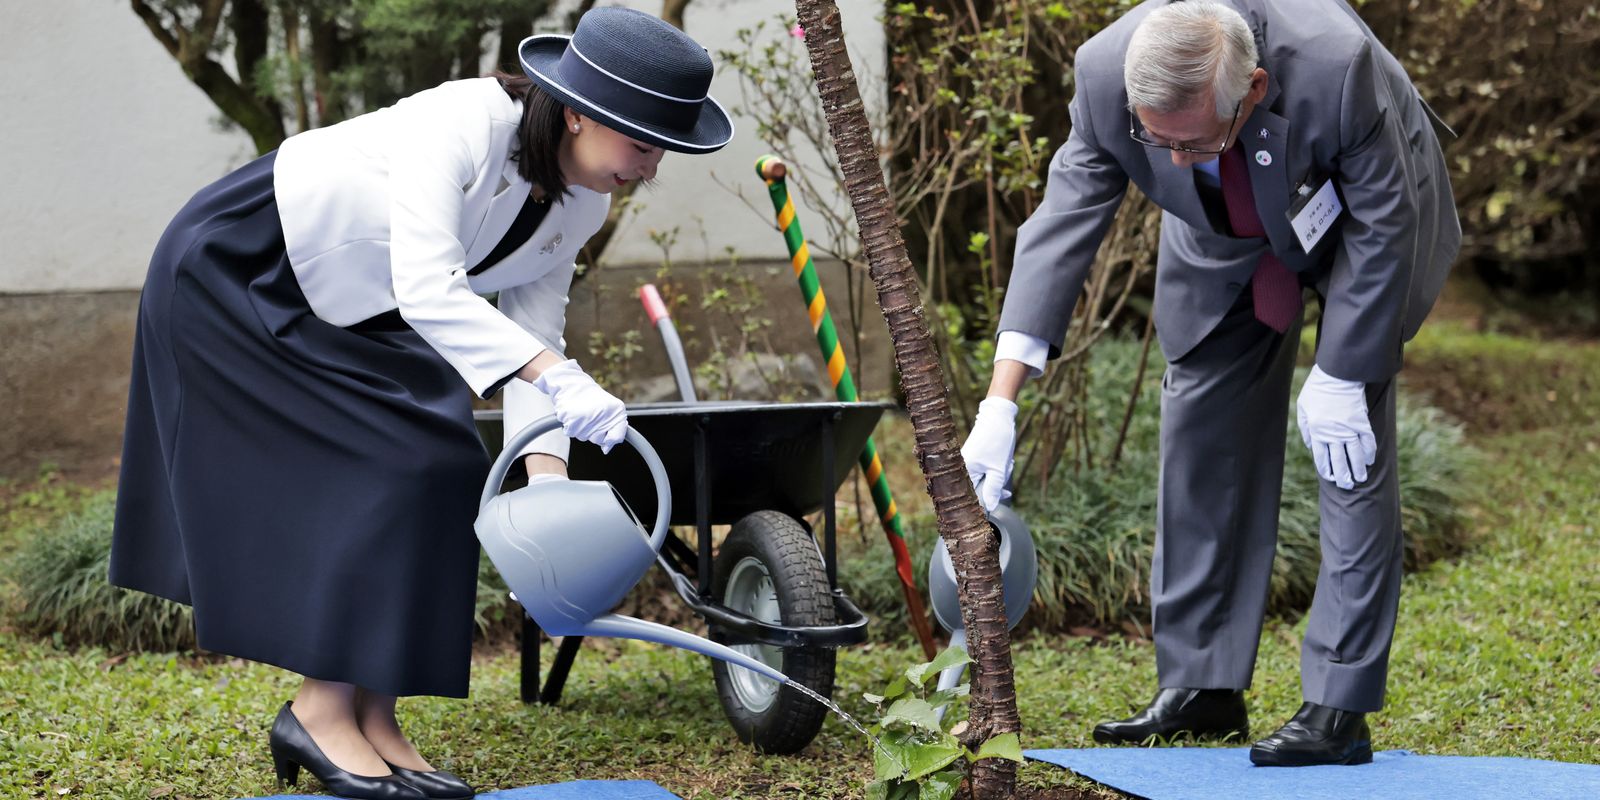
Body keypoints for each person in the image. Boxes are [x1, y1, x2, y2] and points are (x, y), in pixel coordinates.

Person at [108, 8, 732, 799]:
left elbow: (533, 338)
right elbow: (430, 289)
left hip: (353, 302)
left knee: (442, 464)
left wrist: (547, 485)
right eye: (642, 145)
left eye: (662, 152)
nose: (649, 169)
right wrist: (557, 376)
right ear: (580, 112)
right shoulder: (464, 121)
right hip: (240, 270)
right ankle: (319, 710)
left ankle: (376, 714)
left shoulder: (581, 202)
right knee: (391, 462)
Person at [960, 0, 1458, 767]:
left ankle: (1339, 704)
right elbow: (1062, 225)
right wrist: (1002, 400)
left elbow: (1386, 220)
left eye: (1187, 141)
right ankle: (1203, 685)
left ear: (1253, 89)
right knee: (1199, 431)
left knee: (1347, 442)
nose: (1169, 157)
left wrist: (1343, 372)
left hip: (1365, 217)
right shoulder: (1104, 73)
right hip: (1218, 229)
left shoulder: (1337, 68)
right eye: (1153, 140)